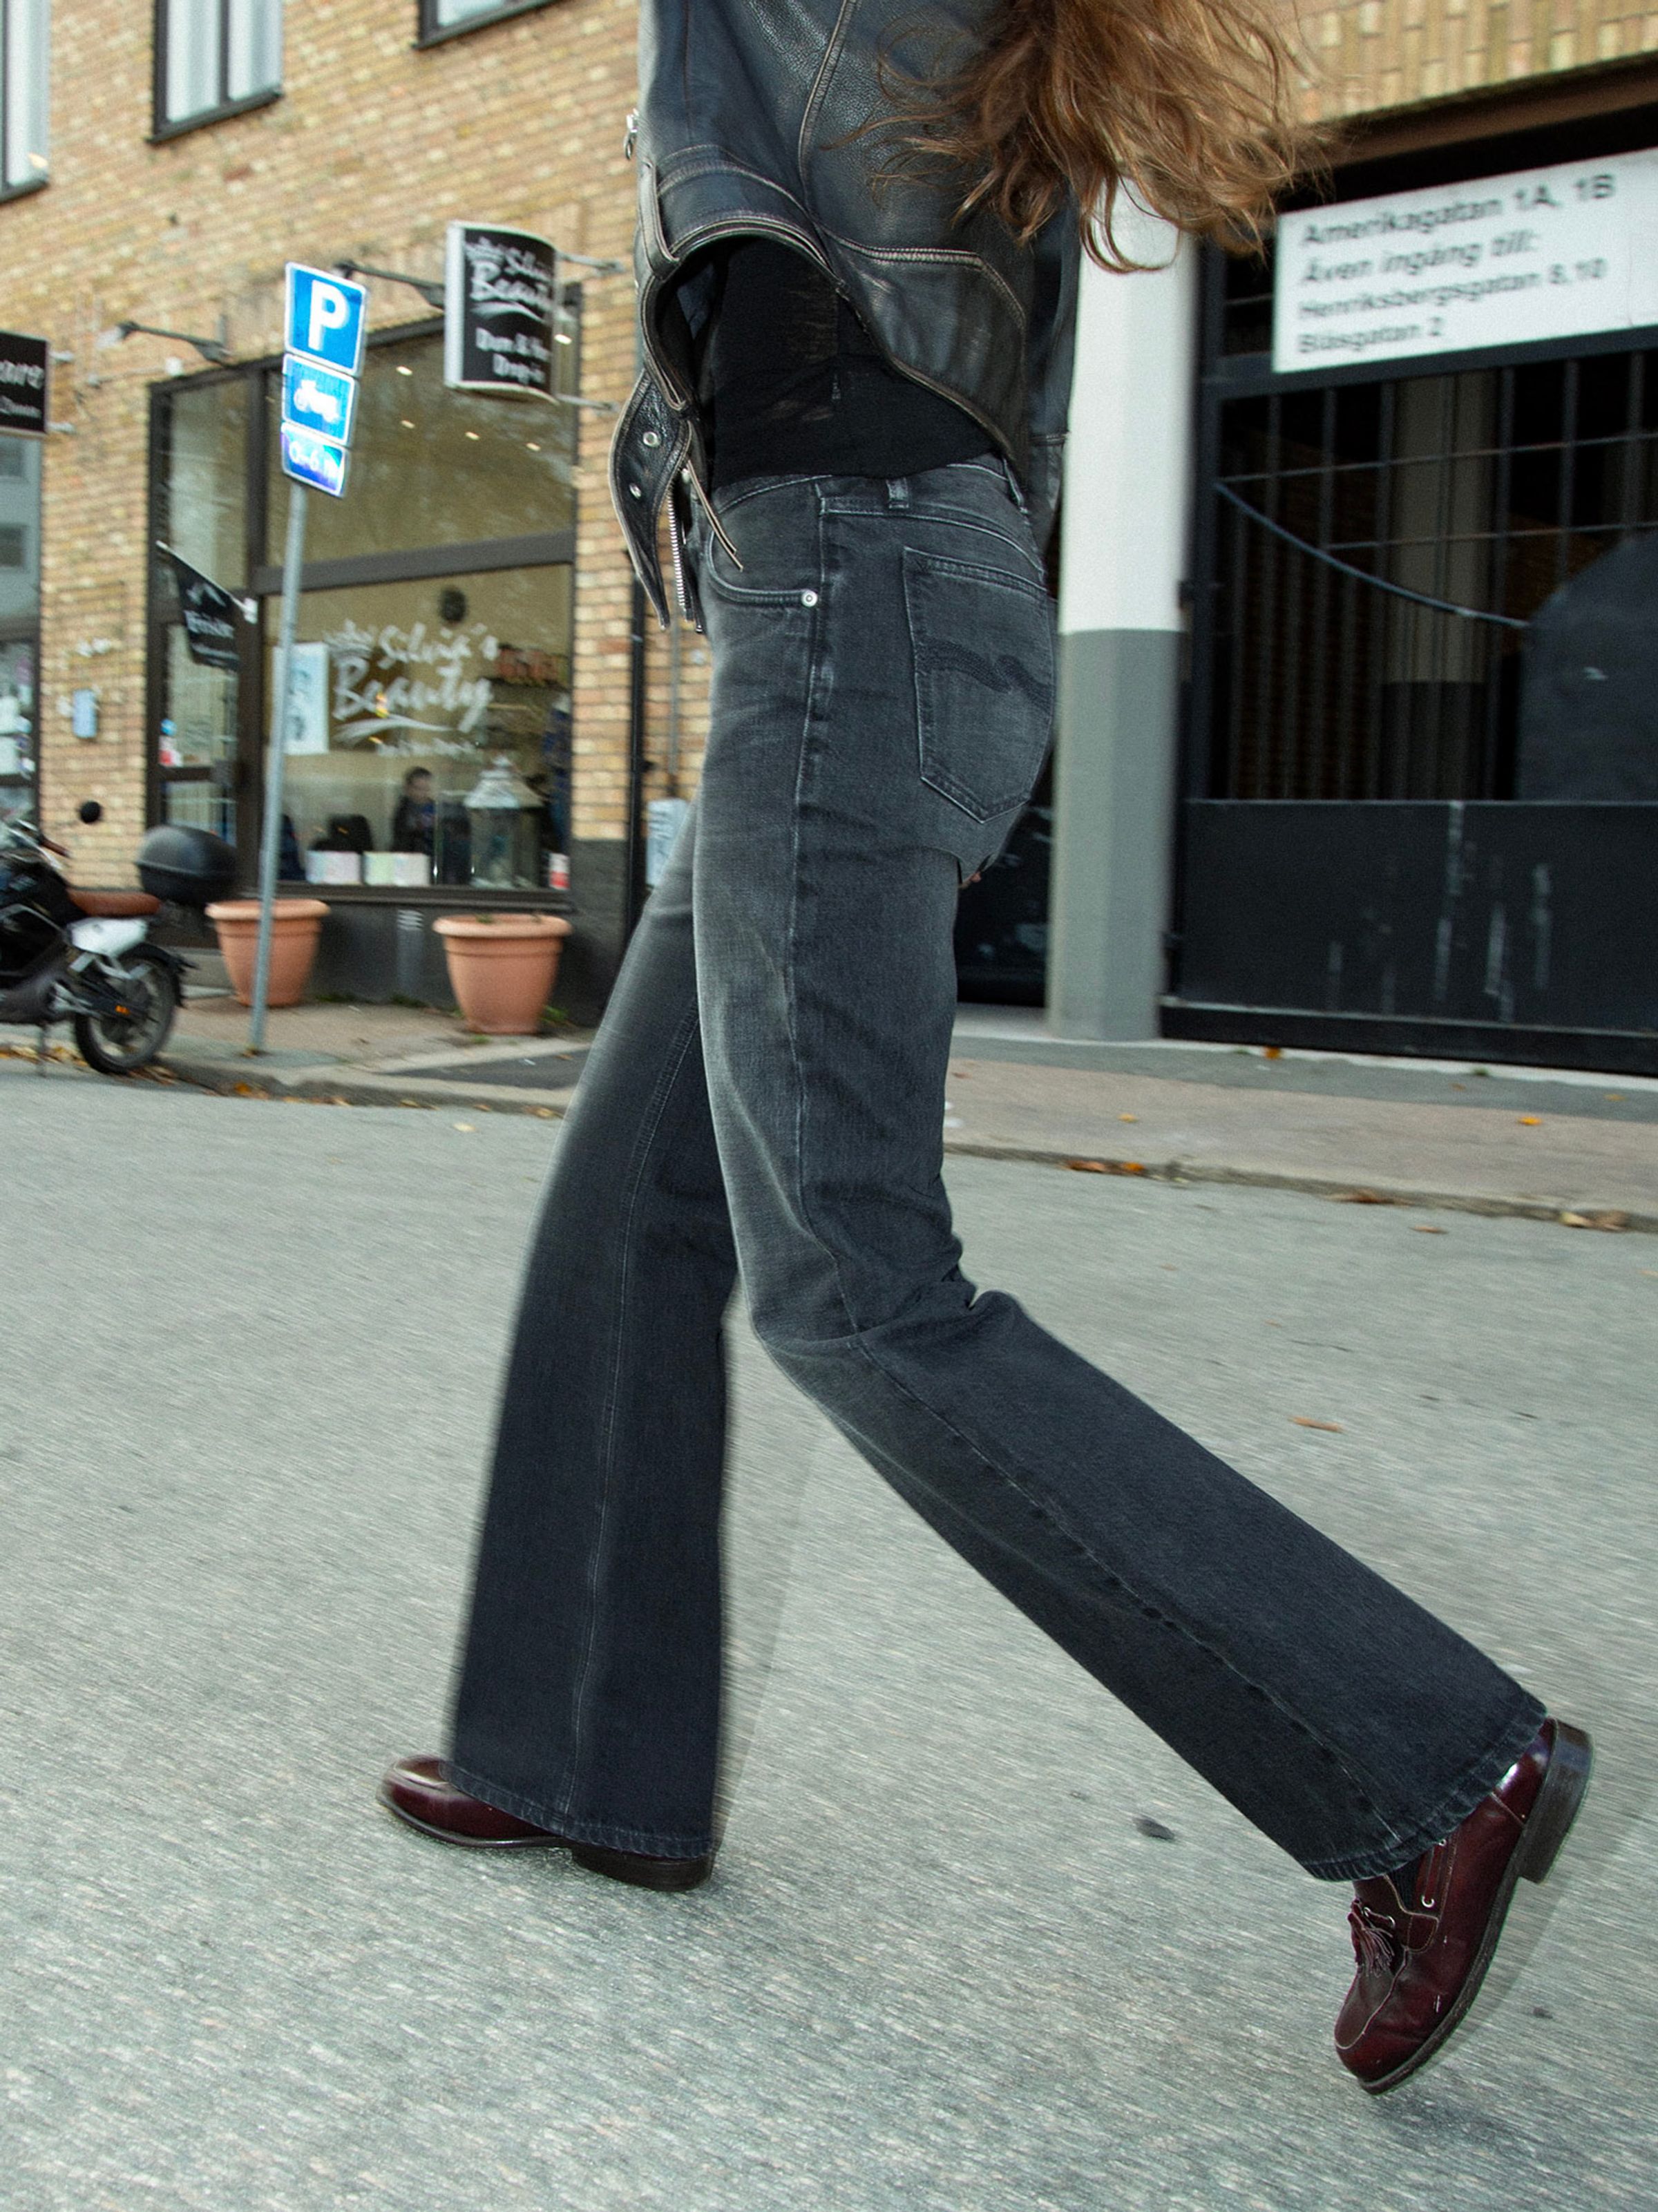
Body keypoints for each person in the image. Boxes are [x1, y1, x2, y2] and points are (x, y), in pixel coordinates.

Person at [381, 0, 1591, 2095]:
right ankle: (581, 1749)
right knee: (635, 1204)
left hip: (852, 598)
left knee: (853, 1278)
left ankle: (1421, 1759)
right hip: (855, 595)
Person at [389, 765, 435, 857]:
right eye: (419, 789)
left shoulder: (435, 808)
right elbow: (402, 836)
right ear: (408, 788)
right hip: (409, 855)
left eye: (426, 789)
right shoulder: (403, 809)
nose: (422, 793)